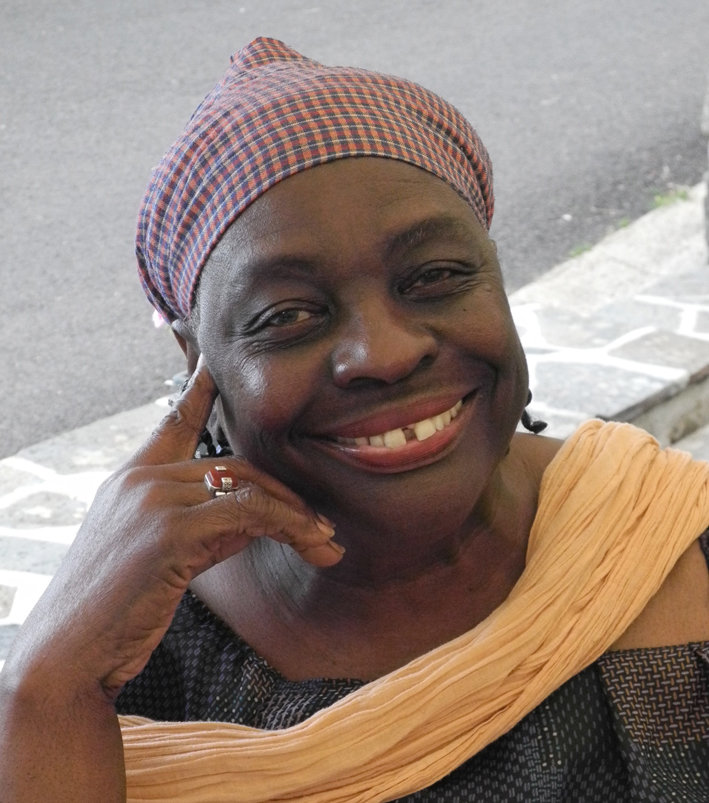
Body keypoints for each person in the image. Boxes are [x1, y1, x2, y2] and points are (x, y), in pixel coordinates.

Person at [1, 37, 708, 802]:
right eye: (286, 314)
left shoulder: (666, 540)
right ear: (196, 359)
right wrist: (45, 690)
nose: (386, 353)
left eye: (436, 275)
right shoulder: (128, 654)